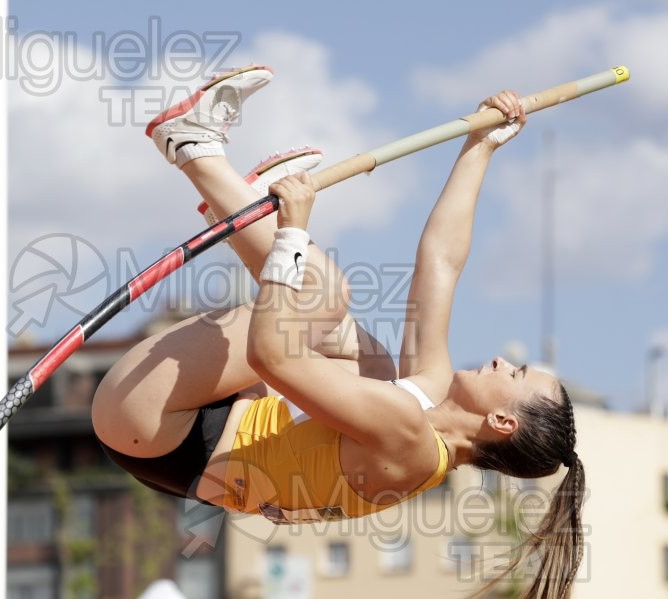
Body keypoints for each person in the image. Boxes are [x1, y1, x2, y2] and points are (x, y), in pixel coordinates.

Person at [92, 65, 585, 598]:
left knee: (323, 300)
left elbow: (271, 357)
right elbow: (439, 264)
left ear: (502, 420)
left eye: (515, 373)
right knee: (362, 355)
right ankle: (239, 206)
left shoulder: (410, 438)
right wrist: (479, 146)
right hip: (197, 431)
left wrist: (293, 233)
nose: (500, 361)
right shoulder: (427, 401)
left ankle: (193, 146)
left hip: (158, 421)